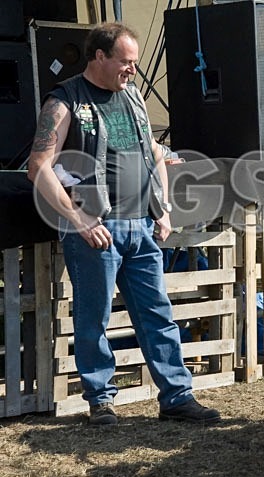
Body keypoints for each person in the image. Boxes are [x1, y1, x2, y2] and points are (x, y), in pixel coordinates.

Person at [27, 22, 221, 426]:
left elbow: (154, 152)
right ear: (99, 56)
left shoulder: (132, 96)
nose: (133, 70)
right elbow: (38, 168)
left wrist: (164, 208)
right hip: (96, 230)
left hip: (142, 225)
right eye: (126, 62)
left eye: (134, 62)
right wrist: (79, 219)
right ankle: (101, 401)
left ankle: (177, 397)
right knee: (93, 316)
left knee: (157, 314)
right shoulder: (65, 100)